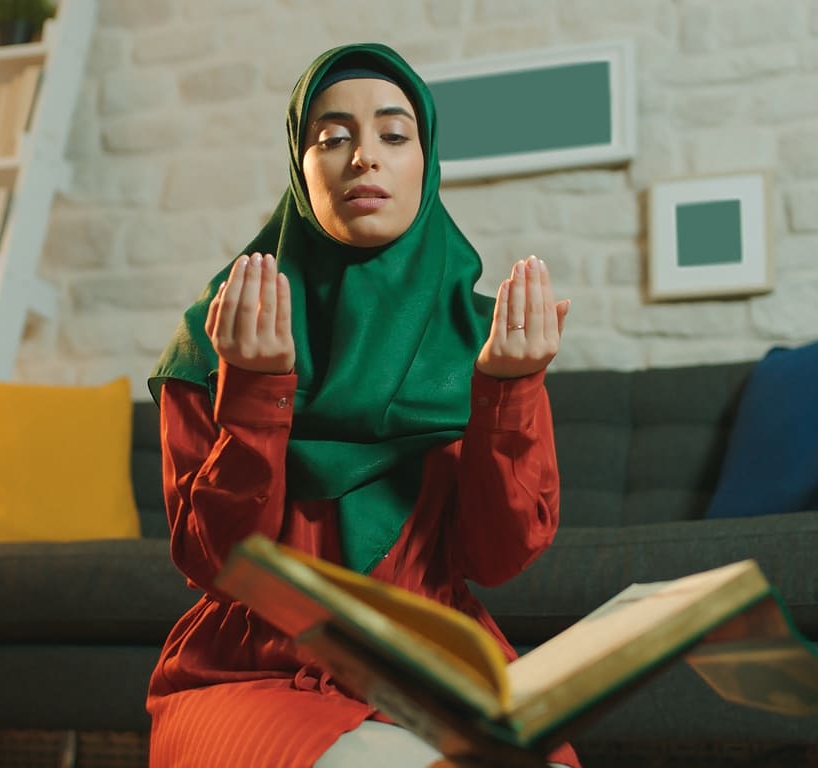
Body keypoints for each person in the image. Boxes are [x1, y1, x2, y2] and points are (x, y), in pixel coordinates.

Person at [145, 42, 579, 768]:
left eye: (393, 134)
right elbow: (216, 564)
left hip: (435, 666)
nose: (363, 158)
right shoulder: (219, 334)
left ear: (426, 160)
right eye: (332, 137)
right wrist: (254, 388)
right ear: (299, 166)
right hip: (252, 666)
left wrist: (509, 391)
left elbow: (496, 559)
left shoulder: (482, 344)